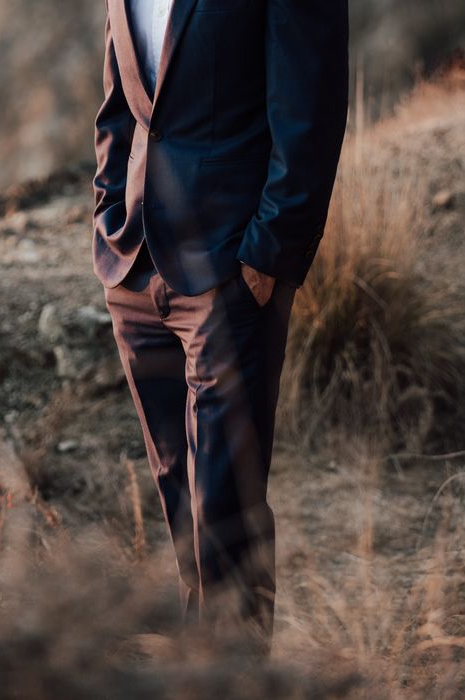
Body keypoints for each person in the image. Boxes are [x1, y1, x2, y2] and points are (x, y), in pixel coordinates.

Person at [92, 0, 349, 656]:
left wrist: (271, 252)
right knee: (182, 503)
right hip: (134, 268)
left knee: (226, 511)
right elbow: (120, 104)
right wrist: (108, 216)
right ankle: (203, 676)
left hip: (232, 271)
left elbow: (310, 105)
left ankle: (236, 679)